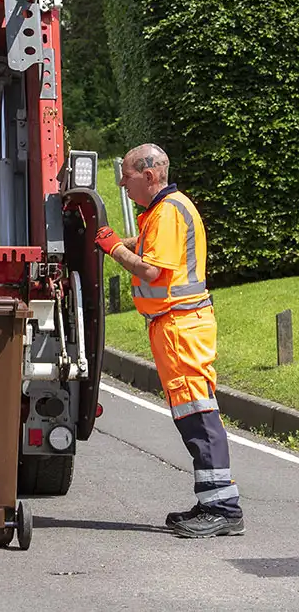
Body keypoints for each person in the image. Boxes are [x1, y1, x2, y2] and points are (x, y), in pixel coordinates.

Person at [95, 143, 244, 539]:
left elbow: (152, 271)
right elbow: (147, 248)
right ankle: (214, 498)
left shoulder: (168, 212)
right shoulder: (162, 211)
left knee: (197, 413)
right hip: (177, 324)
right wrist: (118, 241)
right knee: (193, 412)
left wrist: (112, 248)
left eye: (127, 175)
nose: (122, 182)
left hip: (181, 325)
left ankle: (224, 509)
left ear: (149, 175)